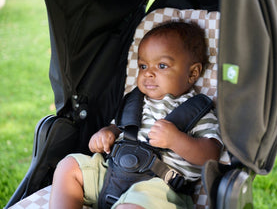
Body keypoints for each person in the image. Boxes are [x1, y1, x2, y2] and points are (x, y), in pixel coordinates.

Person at [49, 21, 223, 209]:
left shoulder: (197, 110)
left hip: (158, 190)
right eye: (143, 66)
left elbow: (211, 154)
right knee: (68, 166)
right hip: (112, 173)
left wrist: (176, 140)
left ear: (192, 73)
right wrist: (107, 133)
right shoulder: (134, 101)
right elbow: (119, 126)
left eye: (162, 66)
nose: (148, 73)